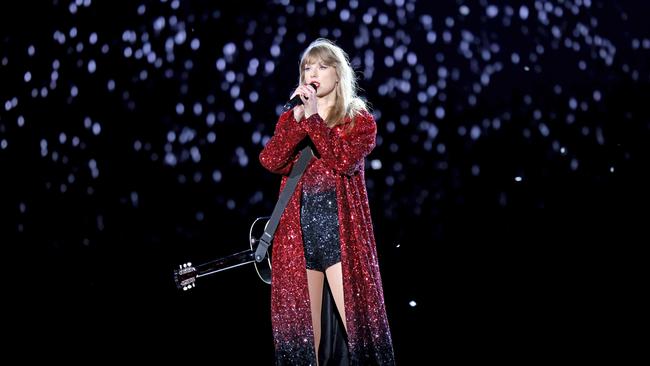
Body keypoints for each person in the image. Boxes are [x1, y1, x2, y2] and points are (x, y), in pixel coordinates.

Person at [259, 38, 395, 365]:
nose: (313, 73)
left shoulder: (357, 121)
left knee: (361, 331)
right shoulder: (292, 120)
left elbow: (341, 160)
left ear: (338, 74)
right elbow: (271, 160)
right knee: (304, 342)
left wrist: (313, 120)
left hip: (341, 237)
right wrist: (298, 121)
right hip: (298, 239)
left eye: (321, 66)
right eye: (308, 67)